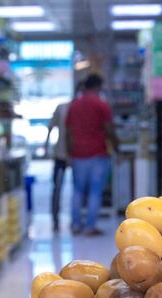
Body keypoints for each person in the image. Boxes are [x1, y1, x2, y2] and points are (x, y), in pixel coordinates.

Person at [65, 73, 119, 236]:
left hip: (78, 154)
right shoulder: (101, 104)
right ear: (97, 86)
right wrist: (117, 147)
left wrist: (69, 152)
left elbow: (68, 131)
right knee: (95, 191)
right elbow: (109, 129)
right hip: (98, 153)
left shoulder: (74, 105)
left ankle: (75, 225)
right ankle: (89, 226)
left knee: (77, 190)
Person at [44, 100, 70, 232]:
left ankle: (74, 221)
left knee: (59, 189)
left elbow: (50, 127)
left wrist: (46, 145)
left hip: (73, 154)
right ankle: (55, 219)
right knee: (57, 188)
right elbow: (50, 127)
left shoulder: (70, 107)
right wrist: (46, 145)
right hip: (62, 154)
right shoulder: (62, 108)